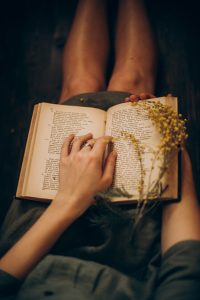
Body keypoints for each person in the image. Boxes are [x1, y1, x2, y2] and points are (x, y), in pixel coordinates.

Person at [0, 0, 200, 299]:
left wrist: (68, 200)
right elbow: (185, 258)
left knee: (78, 89)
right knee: (133, 83)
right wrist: (171, 147)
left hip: (38, 241)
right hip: (131, 241)